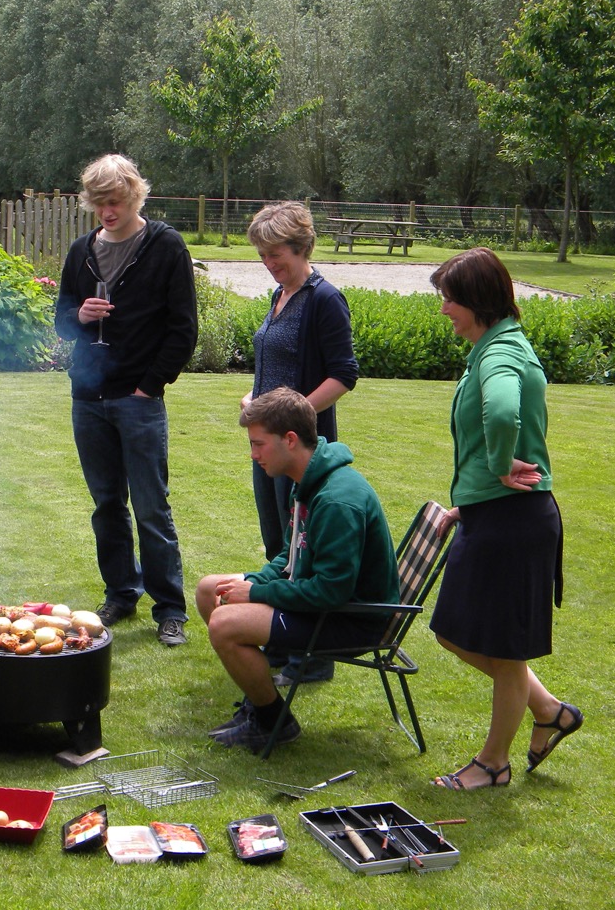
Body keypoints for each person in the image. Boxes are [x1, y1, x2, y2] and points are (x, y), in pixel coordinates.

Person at [427, 247, 581, 791]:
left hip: (514, 522)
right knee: (456, 631)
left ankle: (493, 764)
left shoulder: (499, 357)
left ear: (477, 301)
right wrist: (468, 502)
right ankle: (550, 711)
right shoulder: (497, 346)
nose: (443, 308)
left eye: (449, 298)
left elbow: (503, 412)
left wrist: (497, 464)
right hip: (496, 515)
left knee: (502, 647)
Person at [195, 388, 399, 752]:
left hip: (350, 618)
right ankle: (257, 703)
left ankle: (275, 720)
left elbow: (330, 591)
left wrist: (255, 593)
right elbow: (291, 557)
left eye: (259, 444)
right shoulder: (308, 481)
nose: (253, 454)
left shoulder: (337, 500)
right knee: (210, 589)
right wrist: (254, 582)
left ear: (290, 440)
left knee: (225, 625)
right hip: (326, 604)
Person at [54, 154, 198, 647]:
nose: (106, 212)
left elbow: (183, 330)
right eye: (98, 203)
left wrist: (149, 386)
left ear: (135, 196)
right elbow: (61, 323)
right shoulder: (81, 251)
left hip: (138, 399)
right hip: (88, 397)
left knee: (152, 507)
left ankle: (171, 608)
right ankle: (120, 592)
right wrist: (82, 315)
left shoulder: (165, 246)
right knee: (106, 503)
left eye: (114, 202)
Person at [243, 202, 360, 688]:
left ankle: (312, 659)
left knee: (304, 552)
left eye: (278, 253)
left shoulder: (323, 299)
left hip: (300, 450)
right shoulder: (281, 294)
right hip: (271, 443)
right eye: (264, 254)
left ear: (302, 246)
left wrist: (294, 421)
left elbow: (343, 374)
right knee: (279, 545)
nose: (271, 262)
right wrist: (255, 400)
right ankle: (284, 641)